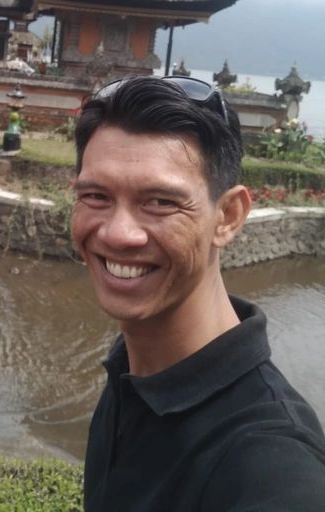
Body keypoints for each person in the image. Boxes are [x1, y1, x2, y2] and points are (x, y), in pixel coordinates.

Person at [72, 76, 325, 511]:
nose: (118, 233)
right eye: (96, 195)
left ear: (228, 216)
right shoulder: (132, 366)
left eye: (160, 202)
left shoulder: (272, 463)